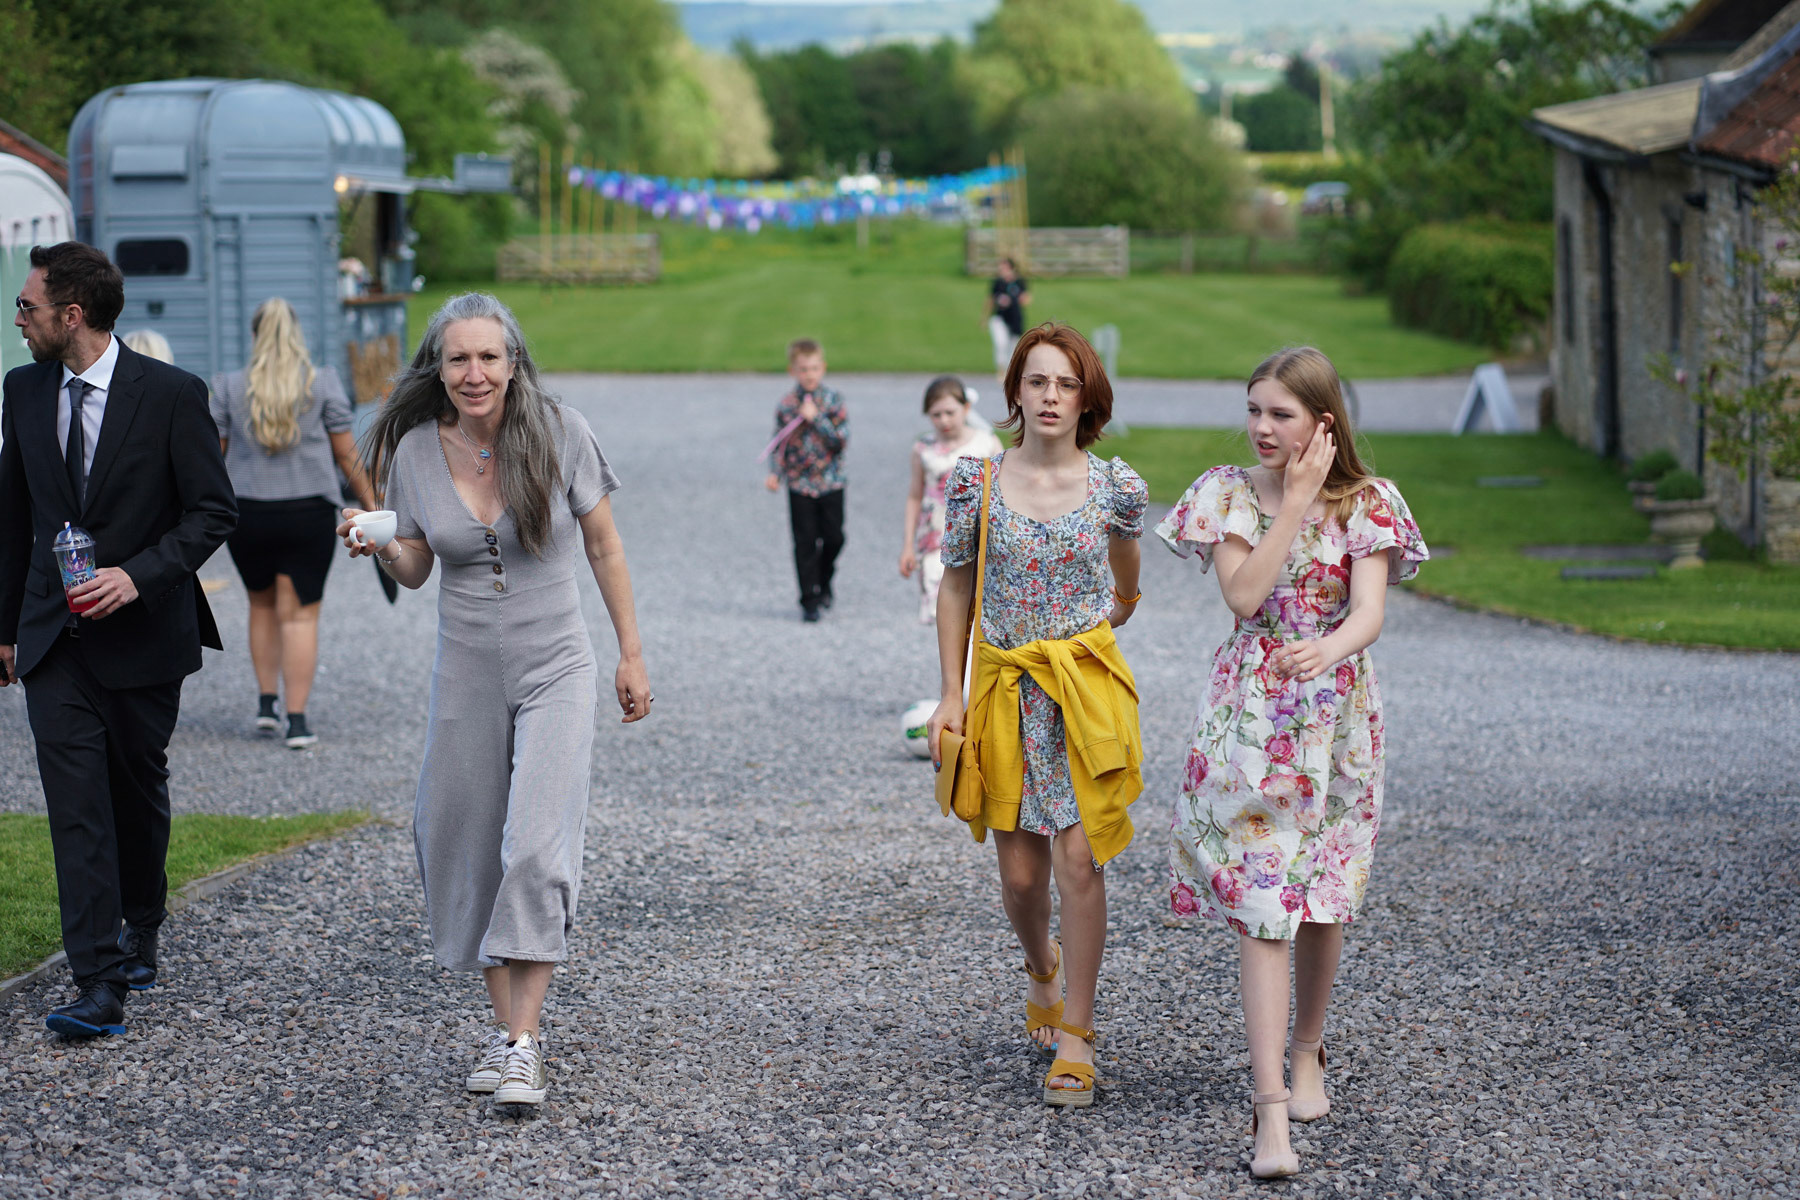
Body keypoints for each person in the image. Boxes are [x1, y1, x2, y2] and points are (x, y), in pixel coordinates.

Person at [339, 291, 652, 1108]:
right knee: (462, 839)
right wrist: (379, 543)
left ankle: (524, 1042)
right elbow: (416, 568)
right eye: (458, 359)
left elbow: (604, 544)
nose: (474, 373)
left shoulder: (561, 431)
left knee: (537, 845)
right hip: (466, 670)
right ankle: (505, 1032)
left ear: (513, 362)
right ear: (438, 370)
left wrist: (631, 653)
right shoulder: (414, 450)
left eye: (488, 356)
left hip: (558, 667)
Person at [1153, 346, 1427, 1179]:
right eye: (1255, 410)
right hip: (1249, 719)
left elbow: (1369, 612)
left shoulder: (1370, 502)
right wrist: (1294, 504)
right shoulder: (1227, 493)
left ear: (1322, 422)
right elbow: (1244, 596)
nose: (1262, 427)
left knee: (1322, 896)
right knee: (1263, 902)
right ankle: (1269, 1111)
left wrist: (1328, 650)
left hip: (1337, 721)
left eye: (1281, 413)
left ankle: (1309, 1048)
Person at [0, 241, 237, 1037]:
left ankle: (143, 922)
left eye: (28, 306)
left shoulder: (171, 394)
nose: (18, 318)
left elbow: (213, 512)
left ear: (72, 315)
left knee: (134, 791)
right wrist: (4, 628)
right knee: (75, 807)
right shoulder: (22, 390)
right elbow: (13, 514)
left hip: (144, 635)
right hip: (52, 639)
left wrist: (138, 576)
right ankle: (98, 982)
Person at [926, 322, 1146, 1108]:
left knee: (1080, 861)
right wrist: (950, 692)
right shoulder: (976, 482)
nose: (1051, 396)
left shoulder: (1116, 486)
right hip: (1004, 690)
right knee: (1022, 876)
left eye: (1067, 384)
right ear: (1016, 390)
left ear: (1087, 398)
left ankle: (1077, 1036)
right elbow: (956, 586)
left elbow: (1127, 574)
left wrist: (1114, 613)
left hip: (1084, 694)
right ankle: (1042, 967)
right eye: (1038, 381)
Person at [212, 298, 377, 748]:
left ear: (255, 336)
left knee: (261, 605)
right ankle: (298, 721)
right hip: (308, 513)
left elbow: (213, 457)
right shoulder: (322, 383)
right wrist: (372, 504)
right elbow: (346, 455)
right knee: (300, 616)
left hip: (248, 513)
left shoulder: (228, 386)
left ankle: (266, 705)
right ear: (297, 335)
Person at [898, 376, 1001, 624]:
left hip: (979, 538)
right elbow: (915, 496)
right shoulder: (923, 449)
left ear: (966, 408)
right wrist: (908, 544)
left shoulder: (987, 444)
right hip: (935, 539)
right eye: (936, 414)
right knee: (941, 612)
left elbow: (1002, 495)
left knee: (976, 611)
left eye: (950, 413)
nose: (944, 420)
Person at [763, 337, 847, 622]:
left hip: (831, 482)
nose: (809, 375)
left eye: (813, 368)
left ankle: (824, 580)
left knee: (834, 538)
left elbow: (840, 442)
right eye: (803, 369)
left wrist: (817, 419)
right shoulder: (787, 405)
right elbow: (779, 443)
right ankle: (809, 599)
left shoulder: (833, 401)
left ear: (822, 368)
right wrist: (775, 473)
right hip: (800, 485)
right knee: (805, 542)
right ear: (793, 371)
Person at [985, 257, 1031, 381]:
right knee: (1001, 343)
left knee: (1013, 345)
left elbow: (1026, 299)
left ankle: (1010, 371)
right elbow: (990, 299)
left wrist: (1015, 300)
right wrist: (985, 317)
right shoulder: (998, 283)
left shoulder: (1019, 282)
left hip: (1015, 318)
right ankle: (1001, 370)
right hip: (1000, 317)